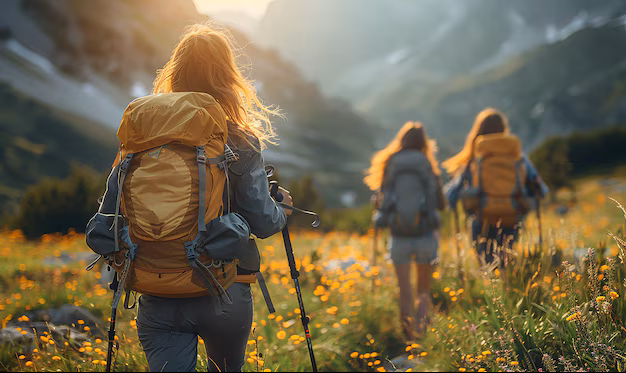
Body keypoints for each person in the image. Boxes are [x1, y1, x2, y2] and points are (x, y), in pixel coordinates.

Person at [133, 24, 292, 372]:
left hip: (157, 286)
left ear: (174, 74)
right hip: (224, 289)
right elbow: (264, 222)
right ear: (227, 76)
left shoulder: (144, 135)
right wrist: (282, 208)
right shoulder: (239, 138)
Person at [364, 122, 445, 341]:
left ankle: (409, 337)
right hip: (425, 235)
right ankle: (422, 334)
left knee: (405, 289)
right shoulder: (426, 164)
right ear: (423, 143)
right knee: (423, 290)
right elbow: (440, 202)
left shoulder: (391, 163)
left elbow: (382, 201)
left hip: (398, 235)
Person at [443, 108, 548, 268]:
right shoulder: (517, 157)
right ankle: (508, 287)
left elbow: (451, 193)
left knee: (486, 264)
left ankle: (491, 288)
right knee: (505, 259)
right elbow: (540, 188)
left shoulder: (475, 159)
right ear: (503, 129)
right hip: (512, 214)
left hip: (482, 216)